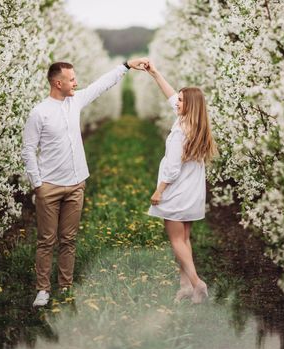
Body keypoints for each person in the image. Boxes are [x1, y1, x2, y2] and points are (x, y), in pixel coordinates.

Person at [22, 57, 149, 307]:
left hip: (76, 183)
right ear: (58, 83)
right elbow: (28, 149)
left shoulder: (75, 101)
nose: (76, 82)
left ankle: (65, 286)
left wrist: (125, 66)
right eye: (71, 79)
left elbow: (100, 85)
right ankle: (43, 289)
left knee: (69, 238)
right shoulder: (39, 112)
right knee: (47, 240)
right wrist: (38, 184)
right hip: (49, 186)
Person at [145, 61, 217, 304]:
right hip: (193, 190)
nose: (177, 102)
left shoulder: (179, 131)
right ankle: (184, 285)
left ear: (190, 106)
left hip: (176, 190)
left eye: (182, 100)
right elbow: (172, 95)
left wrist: (159, 191)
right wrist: (155, 74)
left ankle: (197, 283)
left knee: (176, 240)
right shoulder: (195, 125)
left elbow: (173, 168)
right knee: (184, 240)